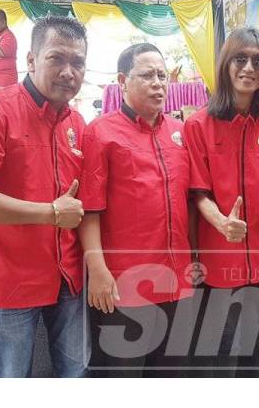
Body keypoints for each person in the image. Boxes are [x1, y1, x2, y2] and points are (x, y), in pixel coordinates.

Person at [0, 15, 89, 377]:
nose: (68, 71)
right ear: (30, 60)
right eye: (56, 58)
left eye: (78, 62)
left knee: (76, 376)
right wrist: (51, 213)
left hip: (67, 277)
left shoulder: (76, 123)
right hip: (9, 280)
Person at [184, 26, 259, 376]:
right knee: (225, 357)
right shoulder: (199, 125)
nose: (249, 68)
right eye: (240, 59)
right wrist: (222, 222)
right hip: (222, 263)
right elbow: (199, 194)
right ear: (226, 65)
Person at [77, 43, 194, 377]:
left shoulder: (179, 132)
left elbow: (190, 202)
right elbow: (90, 210)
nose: (158, 83)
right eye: (147, 75)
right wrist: (98, 271)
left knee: (171, 373)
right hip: (123, 283)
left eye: (162, 75)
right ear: (122, 80)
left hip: (176, 279)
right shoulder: (101, 132)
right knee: (123, 375)